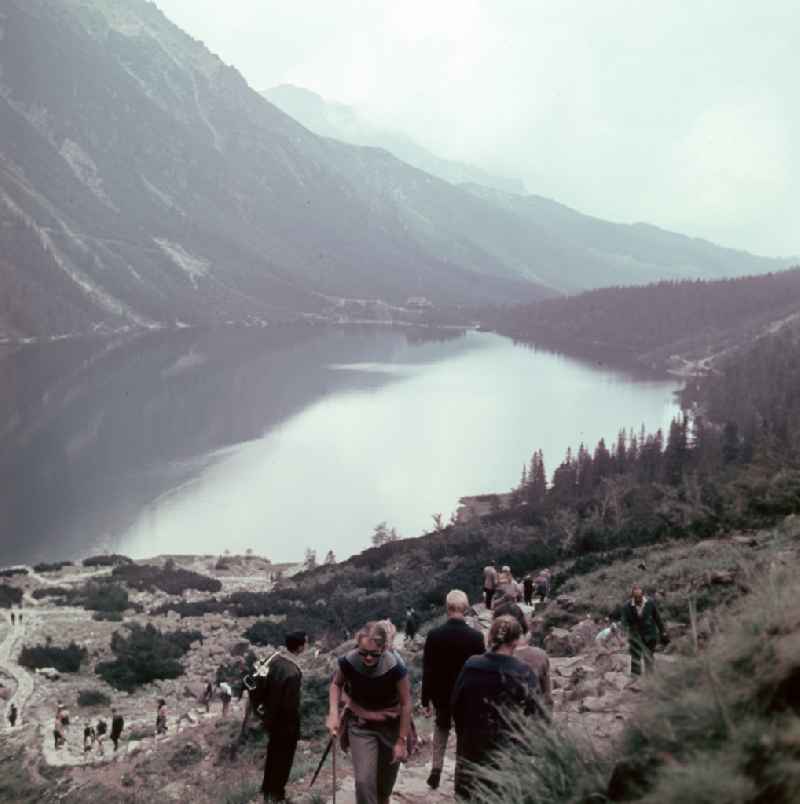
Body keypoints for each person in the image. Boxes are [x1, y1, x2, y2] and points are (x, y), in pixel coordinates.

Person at [451, 616, 545, 799]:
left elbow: (456, 704)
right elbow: (538, 718)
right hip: (507, 757)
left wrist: (464, 735)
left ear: (490, 637)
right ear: (516, 641)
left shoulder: (471, 666)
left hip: (472, 752)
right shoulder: (523, 673)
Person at [326, 620, 412, 804]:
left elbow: (406, 703)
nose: (368, 659)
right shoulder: (349, 661)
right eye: (363, 653)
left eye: (374, 654)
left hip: (391, 726)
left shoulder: (395, 666)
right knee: (364, 782)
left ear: (384, 648)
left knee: (384, 788)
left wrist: (401, 741)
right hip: (361, 724)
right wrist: (333, 713)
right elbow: (336, 684)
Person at [421, 590, 485, 790]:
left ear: (447, 608)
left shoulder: (434, 635)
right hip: (466, 695)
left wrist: (425, 700)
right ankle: (460, 774)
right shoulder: (476, 637)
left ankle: (436, 769)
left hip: (442, 694)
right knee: (463, 733)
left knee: (441, 728)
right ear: (465, 609)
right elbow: (480, 669)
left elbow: (428, 669)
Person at [260, 630, 307, 803]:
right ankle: (278, 794)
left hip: (271, 719)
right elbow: (290, 705)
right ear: (300, 647)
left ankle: (267, 791)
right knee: (284, 759)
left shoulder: (276, 661)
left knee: (273, 755)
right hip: (286, 723)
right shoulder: (293, 671)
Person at [621, 583, 669, 675]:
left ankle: (650, 678)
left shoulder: (650, 603)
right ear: (632, 596)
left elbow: (657, 618)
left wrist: (663, 631)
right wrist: (624, 633)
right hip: (635, 636)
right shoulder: (626, 606)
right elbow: (624, 621)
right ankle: (635, 679)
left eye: (639, 596)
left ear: (642, 594)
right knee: (635, 657)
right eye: (636, 597)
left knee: (649, 656)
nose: (638, 599)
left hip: (650, 634)